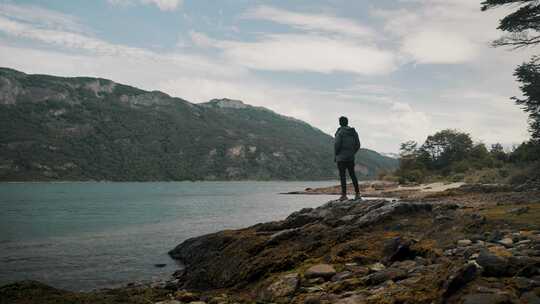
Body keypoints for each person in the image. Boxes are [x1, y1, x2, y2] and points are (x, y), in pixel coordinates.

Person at [334, 116, 361, 201]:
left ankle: (344, 195)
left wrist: (336, 154)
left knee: (343, 177)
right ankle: (357, 195)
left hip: (341, 158)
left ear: (340, 123)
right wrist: (352, 153)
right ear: (347, 122)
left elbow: (337, 144)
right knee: (353, 175)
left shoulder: (340, 132)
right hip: (350, 157)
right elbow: (358, 144)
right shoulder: (353, 132)